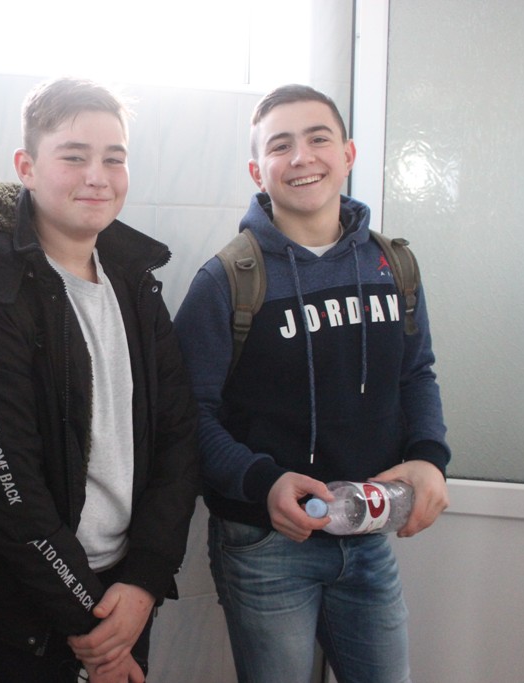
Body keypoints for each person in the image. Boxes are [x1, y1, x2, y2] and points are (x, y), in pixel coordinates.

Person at [0, 77, 200, 683]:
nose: (98, 176)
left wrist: (144, 580)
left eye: (114, 158)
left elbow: (178, 437)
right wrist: (94, 629)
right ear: (26, 168)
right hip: (24, 609)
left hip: (124, 593)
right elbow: (5, 491)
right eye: (74, 157)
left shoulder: (135, 280)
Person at [174, 83, 451, 683]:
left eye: (318, 139)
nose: (302, 157)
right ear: (258, 170)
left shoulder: (393, 266)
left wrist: (430, 458)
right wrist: (264, 481)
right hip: (266, 543)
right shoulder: (226, 281)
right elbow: (187, 415)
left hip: (369, 532)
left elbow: (416, 374)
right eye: (280, 145)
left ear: (347, 154)